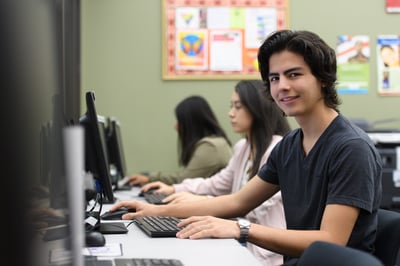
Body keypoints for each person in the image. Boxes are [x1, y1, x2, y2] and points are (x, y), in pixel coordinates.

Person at [110, 30, 382, 265]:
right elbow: (237, 201)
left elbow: (330, 240)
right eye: (274, 78)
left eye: (294, 74)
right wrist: (151, 211)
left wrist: (241, 229)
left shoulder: (350, 148)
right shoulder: (289, 145)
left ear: (322, 78)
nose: (282, 86)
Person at [141, 80, 291, 265]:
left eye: (238, 107)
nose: (230, 113)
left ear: (257, 108)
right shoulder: (243, 147)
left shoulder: (278, 149)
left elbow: (253, 206)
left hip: (263, 252)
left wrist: (203, 201)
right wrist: (175, 189)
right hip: (240, 242)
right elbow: (215, 184)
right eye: (231, 106)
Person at [125, 95, 233, 186]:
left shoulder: (211, 147)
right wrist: (150, 177)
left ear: (192, 124)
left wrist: (150, 179)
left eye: (180, 121)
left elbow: (184, 180)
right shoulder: (215, 142)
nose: (176, 126)